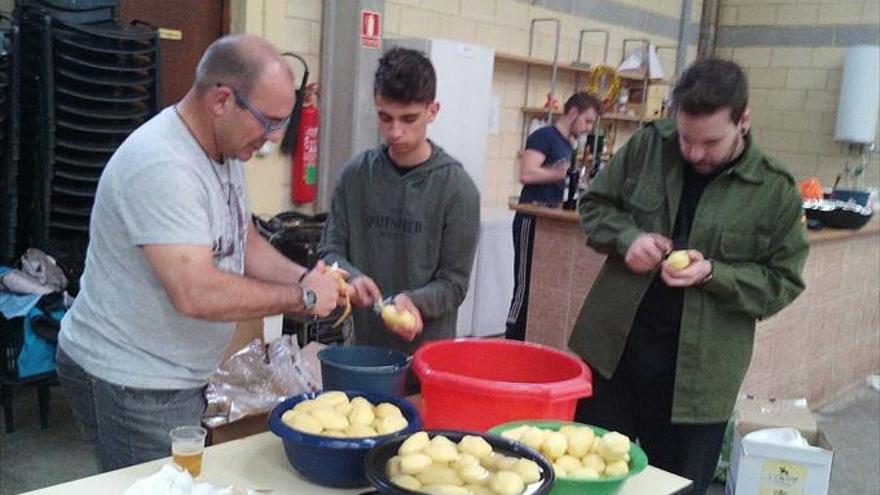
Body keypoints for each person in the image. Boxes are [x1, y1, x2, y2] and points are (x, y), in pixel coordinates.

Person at [56, 34, 342, 472]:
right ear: (222, 99)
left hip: (173, 373)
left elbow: (243, 242)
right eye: (267, 122)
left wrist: (304, 280)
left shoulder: (225, 151)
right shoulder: (163, 165)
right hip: (134, 381)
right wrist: (301, 300)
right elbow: (196, 294)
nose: (270, 141)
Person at [569, 58, 809, 493]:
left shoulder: (774, 191)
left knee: (674, 488)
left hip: (697, 384)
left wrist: (714, 273)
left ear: (744, 120)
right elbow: (594, 206)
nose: (695, 153)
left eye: (711, 142)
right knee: (588, 479)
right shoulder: (649, 146)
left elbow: (782, 282)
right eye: (685, 138)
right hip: (611, 360)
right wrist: (629, 239)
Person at [317, 47, 480, 356]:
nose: (395, 132)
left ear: (433, 111)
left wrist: (414, 301)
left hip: (426, 356)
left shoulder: (457, 189)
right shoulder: (355, 176)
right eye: (385, 117)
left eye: (409, 119)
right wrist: (353, 277)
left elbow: (454, 282)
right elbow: (330, 251)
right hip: (362, 349)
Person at [505, 92, 601, 341]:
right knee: (525, 282)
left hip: (549, 218)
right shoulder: (543, 136)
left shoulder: (566, 144)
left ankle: (532, 337)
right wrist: (560, 174)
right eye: (587, 121)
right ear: (573, 113)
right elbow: (526, 174)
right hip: (531, 216)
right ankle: (513, 335)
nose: (588, 128)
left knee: (541, 284)